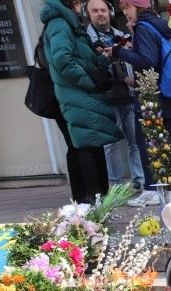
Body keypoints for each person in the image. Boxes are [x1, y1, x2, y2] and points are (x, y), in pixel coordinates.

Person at [104, 0, 171, 206]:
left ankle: (151, 190)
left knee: (146, 141)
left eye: (127, 9)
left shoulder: (142, 27)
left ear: (138, 7)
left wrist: (118, 51)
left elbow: (147, 61)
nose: (126, 14)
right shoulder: (157, 23)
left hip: (151, 93)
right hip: (165, 88)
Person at [40, 0, 121, 204]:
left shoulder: (70, 22)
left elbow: (82, 58)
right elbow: (62, 60)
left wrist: (105, 58)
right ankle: (92, 201)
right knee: (86, 144)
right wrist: (90, 81)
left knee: (92, 143)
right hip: (76, 93)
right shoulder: (60, 23)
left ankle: (98, 200)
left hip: (79, 93)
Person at [84, 0, 148, 198]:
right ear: (88, 14)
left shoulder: (121, 35)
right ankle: (118, 185)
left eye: (103, 10)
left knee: (135, 141)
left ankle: (140, 180)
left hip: (127, 94)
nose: (100, 14)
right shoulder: (86, 39)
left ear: (110, 12)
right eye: (95, 11)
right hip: (104, 97)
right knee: (111, 144)